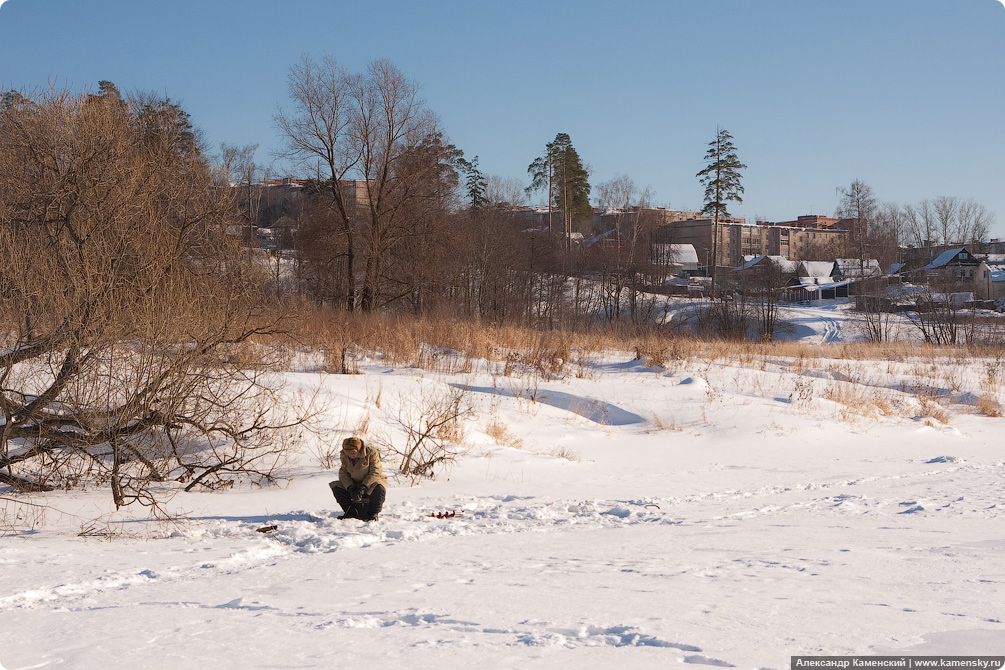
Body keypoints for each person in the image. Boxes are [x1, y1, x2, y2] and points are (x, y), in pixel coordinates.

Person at [329, 436, 386, 521]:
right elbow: (343, 473)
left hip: (370, 484)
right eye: (349, 454)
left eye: (353, 454)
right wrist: (350, 487)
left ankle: (373, 514)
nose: (351, 456)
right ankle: (350, 513)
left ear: (359, 450)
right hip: (354, 484)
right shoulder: (344, 455)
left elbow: (375, 472)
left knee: (379, 487)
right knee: (336, 486)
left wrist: (363, 486)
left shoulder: (371, 453)